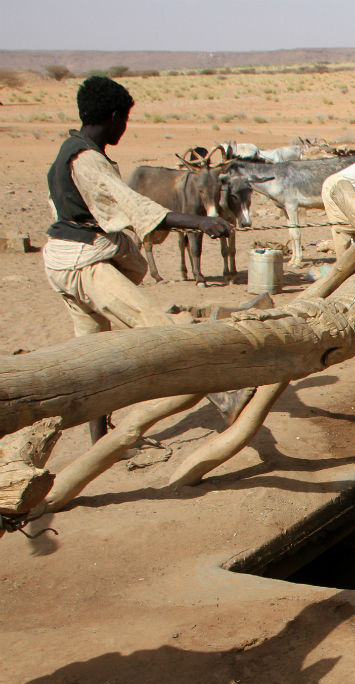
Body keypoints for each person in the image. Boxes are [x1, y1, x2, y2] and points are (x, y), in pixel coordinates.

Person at [42, 76, 242, 441]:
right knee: (161, 330)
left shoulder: (67, 150)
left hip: (60, 260)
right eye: (125, 119)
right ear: (116, 116)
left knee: (95, 356)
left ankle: (100, 441)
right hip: (85, 265)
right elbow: (136, 206)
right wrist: (202, 221)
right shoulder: (88, 160)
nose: (124, 127)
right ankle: (226, 397)